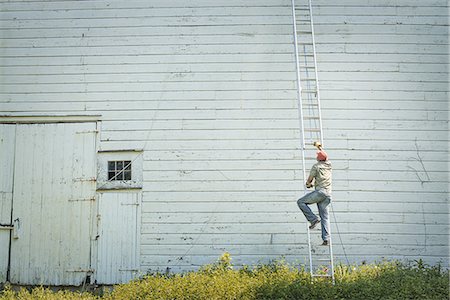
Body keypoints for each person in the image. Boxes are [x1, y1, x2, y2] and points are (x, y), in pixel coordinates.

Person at [297, 148, 332, 246]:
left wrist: (308, 184)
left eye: (317, 155)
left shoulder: (316, 167)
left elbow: (309, 180)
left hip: (320, 193)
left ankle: (313, 219)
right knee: (325, 217)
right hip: (328, 194)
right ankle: (326, 240)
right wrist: (320, 148)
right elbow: (326, 157)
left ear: (319, 159)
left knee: (300, 202)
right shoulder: (329, 165)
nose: (316, 156)